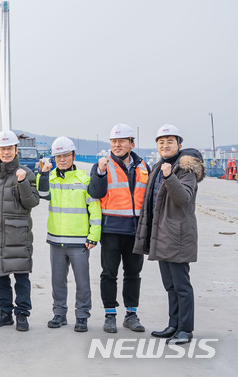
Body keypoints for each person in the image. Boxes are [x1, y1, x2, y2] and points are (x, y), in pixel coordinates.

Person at [134, 124, 204, 345]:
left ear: (179, 145)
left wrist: (169, 176)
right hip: (161, 233)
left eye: (170, 141)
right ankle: (173, 325)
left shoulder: (186, 170)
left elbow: (183, 198)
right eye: (161, 142)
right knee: (170, 285)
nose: (165, 145)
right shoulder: (158, 166)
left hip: (178, 235)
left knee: (182, 286)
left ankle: (185, 329)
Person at [88, 123, 150, 334]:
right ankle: (110, 315)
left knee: (133, 274)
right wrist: (100, 171)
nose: (117, 145)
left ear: (131, 143)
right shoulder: (103, 165)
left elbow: (149, 199)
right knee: (109, 273)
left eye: (121, 141)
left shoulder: (143, 167)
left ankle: (131, 315)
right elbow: (95, 193)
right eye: (114, 142)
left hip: (136, 230)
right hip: (112, 230)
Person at [37, 136, 101, 332]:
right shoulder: (50, 177)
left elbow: (95, 210)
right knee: (57, 281)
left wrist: (93, 236)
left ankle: (82, 316)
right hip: (56, 240)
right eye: (58, 156)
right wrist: (44, 173)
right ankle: (59, 314)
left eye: (66, 155)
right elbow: (42, 194)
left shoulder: (84, 179)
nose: (62, 160)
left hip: (80, 242)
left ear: (73, 155)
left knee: (82, 282)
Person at [0, 130, 40, 331]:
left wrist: (22, 182)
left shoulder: (26, 173)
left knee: (21, 277)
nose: (5, 152)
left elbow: (32, 202)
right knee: (0, 276)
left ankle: (22, 314)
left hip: (18, 235)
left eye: (9, 149)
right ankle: (4, 312)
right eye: (2, 149)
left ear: (16, 150)